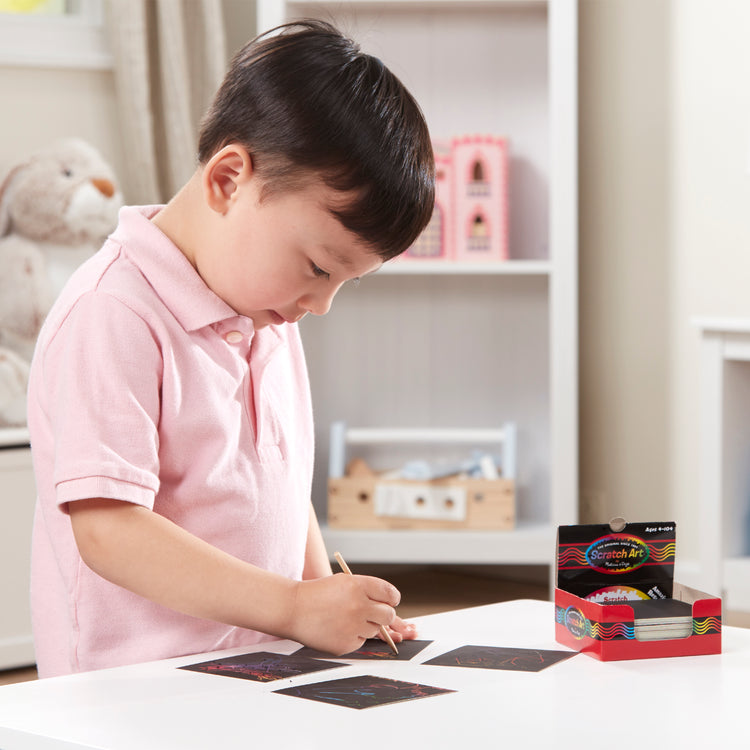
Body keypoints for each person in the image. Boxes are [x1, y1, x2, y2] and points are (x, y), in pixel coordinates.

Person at [27, 19, 435, 678]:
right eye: (317, 267)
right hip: (131, 693)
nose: (322, 304)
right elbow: (108, 528)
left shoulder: (270, 313)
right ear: (228, 180)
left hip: (256, 669)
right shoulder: (113, 311)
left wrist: (325, 600)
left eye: (346, 282)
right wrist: (294, 606)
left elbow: (280, 483)